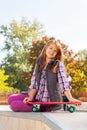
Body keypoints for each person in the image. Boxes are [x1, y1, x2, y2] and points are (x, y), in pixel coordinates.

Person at [8, 40, 81, 112]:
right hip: (37, 98)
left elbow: (64, 83)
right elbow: (34, 83)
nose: (52, 51)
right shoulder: (39, 64)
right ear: (46, 48)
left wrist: (70, 98)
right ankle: (32, 101)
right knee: (10, 98)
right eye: (51, 48)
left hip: (48, 103)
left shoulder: (57, 64)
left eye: (55, 51)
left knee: (14, 105)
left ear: (57, 54)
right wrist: (30, 97)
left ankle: (44, 108)